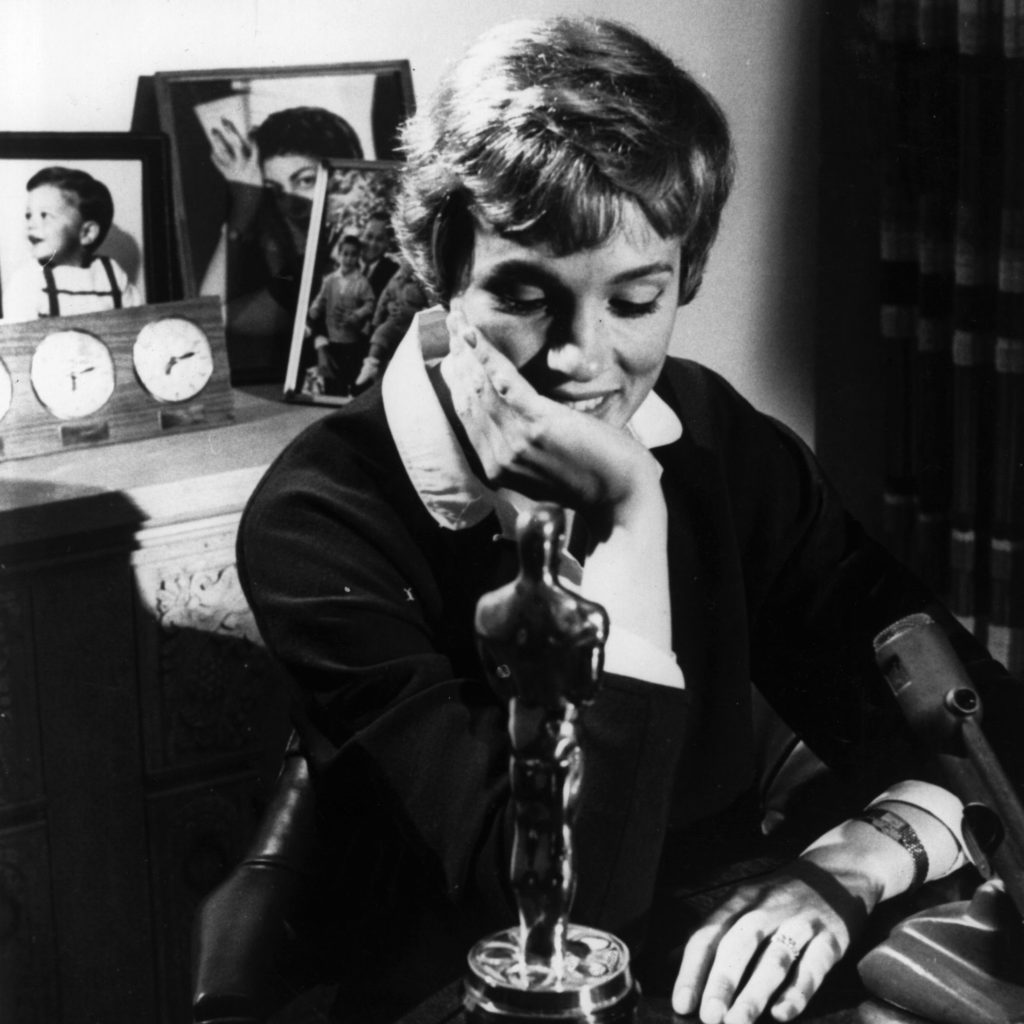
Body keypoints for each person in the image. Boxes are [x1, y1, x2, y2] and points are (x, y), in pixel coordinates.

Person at [237, 17, 1024, 1024]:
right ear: (441, 271)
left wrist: (863, 858)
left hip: (714, 966)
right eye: (524, 295)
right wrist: (629, 516)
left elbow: (981, 725)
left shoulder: (720, 440)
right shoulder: (318, 519)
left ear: (683, 278)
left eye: (636, 298)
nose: (580, 357)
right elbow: (567, 924)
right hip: (471, 993)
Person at [202, 105, 363, 380]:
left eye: (305, 180)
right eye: (276, 191)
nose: (291, 204)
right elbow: (206, 320)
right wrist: (243, 207)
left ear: (347, 177)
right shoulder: (306, 271)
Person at [3, 166, 142, 322]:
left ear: (86, 233)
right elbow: (19, 340)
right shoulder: (27, 281)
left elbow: (135, 323)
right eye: (29, 215)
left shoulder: (112, 275)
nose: (31, 224)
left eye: (44, 215)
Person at [305, 234, 376, 397]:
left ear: (358, 257)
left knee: (348, 374)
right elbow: (321, 299)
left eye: (353, 255)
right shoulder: (330, 280)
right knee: (331, 376)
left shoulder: (361, 282)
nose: (348, 259)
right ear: (339, 255)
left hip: (350, 340)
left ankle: (344, 398)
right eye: (345, 254)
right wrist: (315, 309)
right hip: (332, 338)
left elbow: (370, 304)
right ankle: (332, 396)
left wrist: (357, 315)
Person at [353, 254, 431, 389]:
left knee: (409, 359)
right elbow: (384, 299)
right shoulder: (395, 280)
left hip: (415, 327)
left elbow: (434, 307)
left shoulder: (424, 282)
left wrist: (413, 312)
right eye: (405, 263)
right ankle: (371, 364)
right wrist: (376, 320)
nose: (407, 267)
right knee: (380, 333)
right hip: (394, 323)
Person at [359, 209, 400, 300]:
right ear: (361, 234)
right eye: (369, 236)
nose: (372, 244)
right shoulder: (344, 259)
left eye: (380, 239)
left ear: (387, 243)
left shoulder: (392, 272)